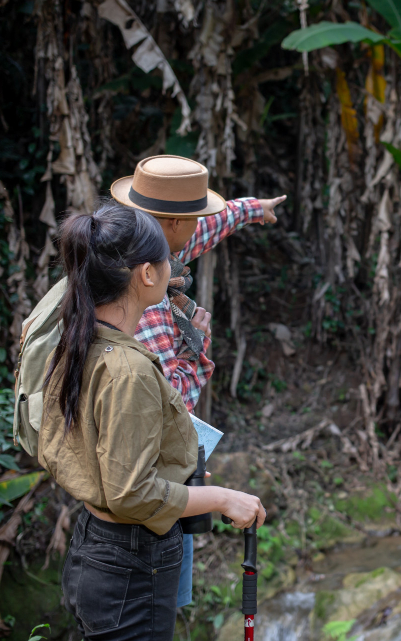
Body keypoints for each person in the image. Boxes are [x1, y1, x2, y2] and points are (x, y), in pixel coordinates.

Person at [38, 204, 266, 641]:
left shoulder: (80, 339)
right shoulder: (129, 370)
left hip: (96, 545)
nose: (173, 270)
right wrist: (222, 498)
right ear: (146, 275)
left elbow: (103, 457)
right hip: (130, 563)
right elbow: (132, 495)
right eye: (165, 261)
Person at [109, 154, 286, 608]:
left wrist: (253, 208)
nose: (200, 227)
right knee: (155, 615)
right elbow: (170, 404)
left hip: (129, 495)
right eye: (192, 218)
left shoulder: (128, 250)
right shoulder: (144, 306)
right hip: (149, 500)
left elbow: (213, 224)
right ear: (171, 223)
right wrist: (194, 345)